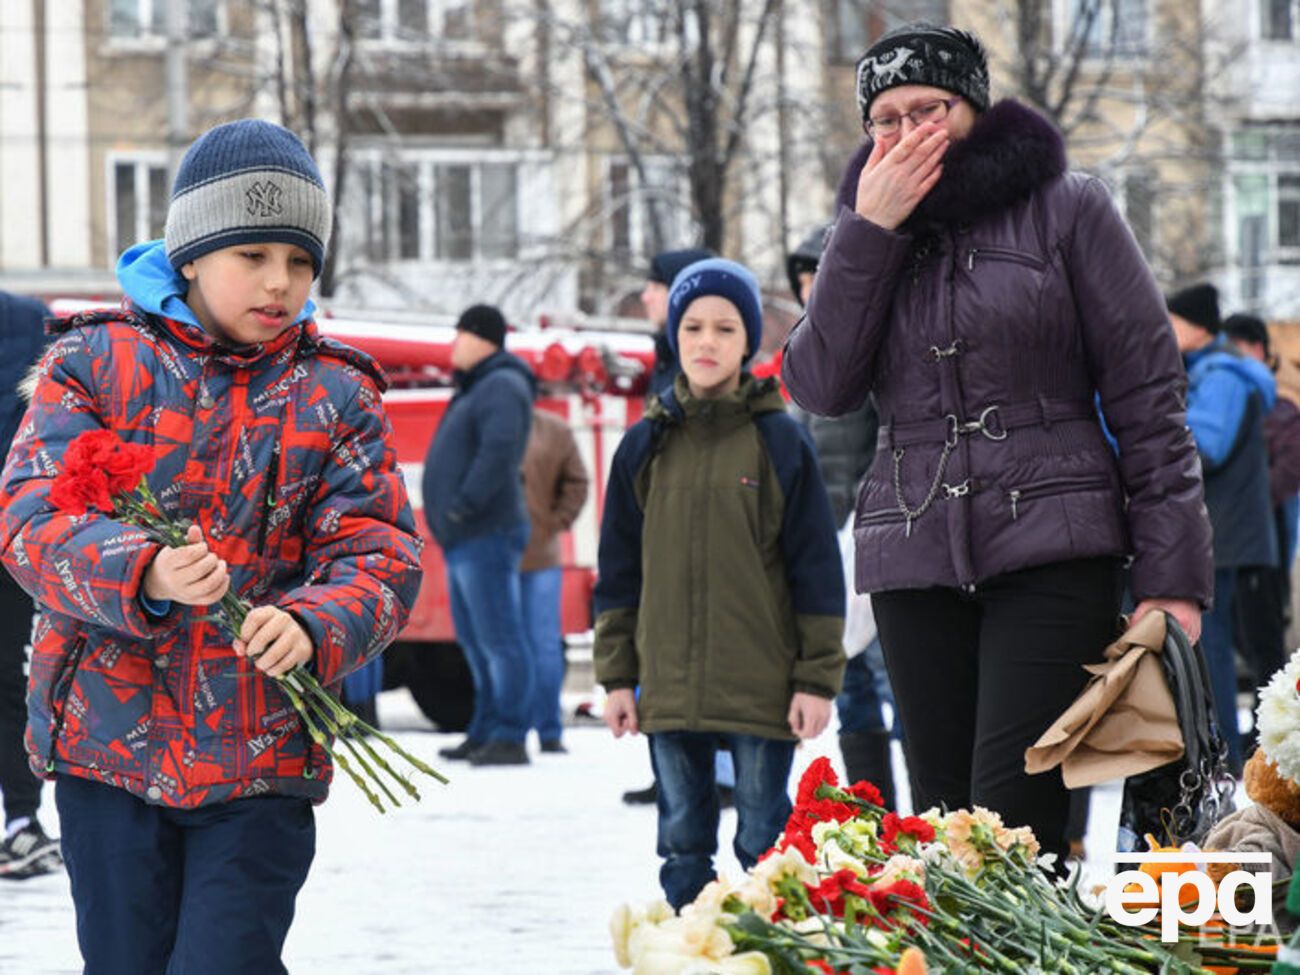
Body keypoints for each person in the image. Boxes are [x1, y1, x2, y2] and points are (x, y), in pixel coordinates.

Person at [782, 24, 1213, 861]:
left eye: (930, 109)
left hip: (1053, 550)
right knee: (946, 829)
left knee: (1014, 820)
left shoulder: (1069, 208)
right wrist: (868, 235)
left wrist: (1174, 578)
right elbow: (820, 386)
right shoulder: (863, 231)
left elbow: (1150, 396)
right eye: (887, 118)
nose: (907, 133)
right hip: (912, 557)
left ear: (973, 108)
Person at [0, 119, 423, 972]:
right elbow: (30, 516)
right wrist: (142, 567)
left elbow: (378, 550)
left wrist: (312, 622)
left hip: (260, 754)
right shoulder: (93, 363)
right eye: (254, 255)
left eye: (301, 261)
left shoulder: (336, 393)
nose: (281, 283)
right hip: (108, 749)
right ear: (190, 253)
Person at [595, 257, 846, 910]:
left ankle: (766, 947)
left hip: (761, 689)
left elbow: (816, 568)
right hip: (669, 689)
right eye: (694, 327)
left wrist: (815, 679)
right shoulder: (643, 445)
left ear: (749, 341)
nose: (707, 341)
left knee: (765, 841)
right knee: (682, 841)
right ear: (674, 335)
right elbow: (619, 573)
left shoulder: (781, 442)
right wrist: (619, 676)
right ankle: (690, 943)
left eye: (725, 329)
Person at [787, 223, 899, 805]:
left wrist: (866, 507)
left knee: (894, 677)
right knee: (849, 677)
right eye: (803, 279)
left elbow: (892, 434)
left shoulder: (871, 343)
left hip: (875, 533)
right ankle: (878, 809)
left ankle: (936, 814)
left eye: (817, 276)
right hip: (825, 539)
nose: (809, 289)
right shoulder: (807, 347)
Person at [1167, 285, 1277, 773]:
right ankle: (1222, 757)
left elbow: (1206, 444)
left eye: (1172, 321)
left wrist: (1152, 421)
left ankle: (1225, 761)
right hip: (1221, 535)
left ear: (1195, 327)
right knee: (1210, 652)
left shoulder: (1222, 377)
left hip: (1222, 536)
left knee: (1211, 655)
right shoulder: (1212, 371)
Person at [422, 304, 537, 767]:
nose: (454, 344)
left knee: (500, 639)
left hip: (485, 531)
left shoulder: (502, 385)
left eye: (460, 334)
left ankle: (509, 734)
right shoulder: (482, 385)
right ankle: (484, 729)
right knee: (476, 640)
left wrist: (462, 505)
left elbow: (499, 452)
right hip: (466, 536)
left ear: (481, 337)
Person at [0, 290, 61, 880]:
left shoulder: (31, 321)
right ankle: (23, 821)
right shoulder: (30, 319)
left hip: (10, 534)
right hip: (12, 530)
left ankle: (22, 823)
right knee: (10, 681)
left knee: (10, 681)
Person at [1224, 313, 1300, 699]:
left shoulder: (1279, 407)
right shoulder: (1239, 397)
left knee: (1263, 635)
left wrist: (1246, 497)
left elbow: (1288, 472)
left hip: (1264, 534)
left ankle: (1271, 725)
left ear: (1255, 348)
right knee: (1242, 631)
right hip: (1239, 533)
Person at [520, 408, 590, 753]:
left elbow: (577, 481)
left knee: (543, 645)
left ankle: (548, 729)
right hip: (496, 556)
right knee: (506, 647)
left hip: (539, 555)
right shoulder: (490, 422)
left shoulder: (553, 430)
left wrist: (555, 523)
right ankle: (509, 729)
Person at [642, 247, 715, 400]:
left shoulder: (701, 367)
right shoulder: (669, 355)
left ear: (682, 295)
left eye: (656, 288)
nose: (645, 297)